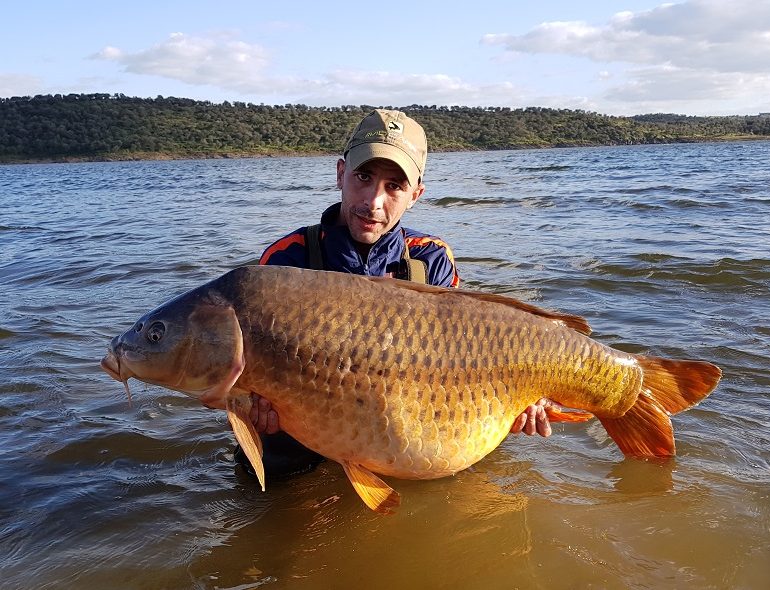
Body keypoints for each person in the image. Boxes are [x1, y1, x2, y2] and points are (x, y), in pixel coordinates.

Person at [236, 109, 555, 480]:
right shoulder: (286, 260)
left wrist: (512, 399)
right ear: (341, 174)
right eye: (364, 177)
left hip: (401, 424)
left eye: (394, 187)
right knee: (266, 482)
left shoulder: (429, 258)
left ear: (416, 194)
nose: (373, 201)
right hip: (306, 429)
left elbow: (465, 360)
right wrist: (251, 410)